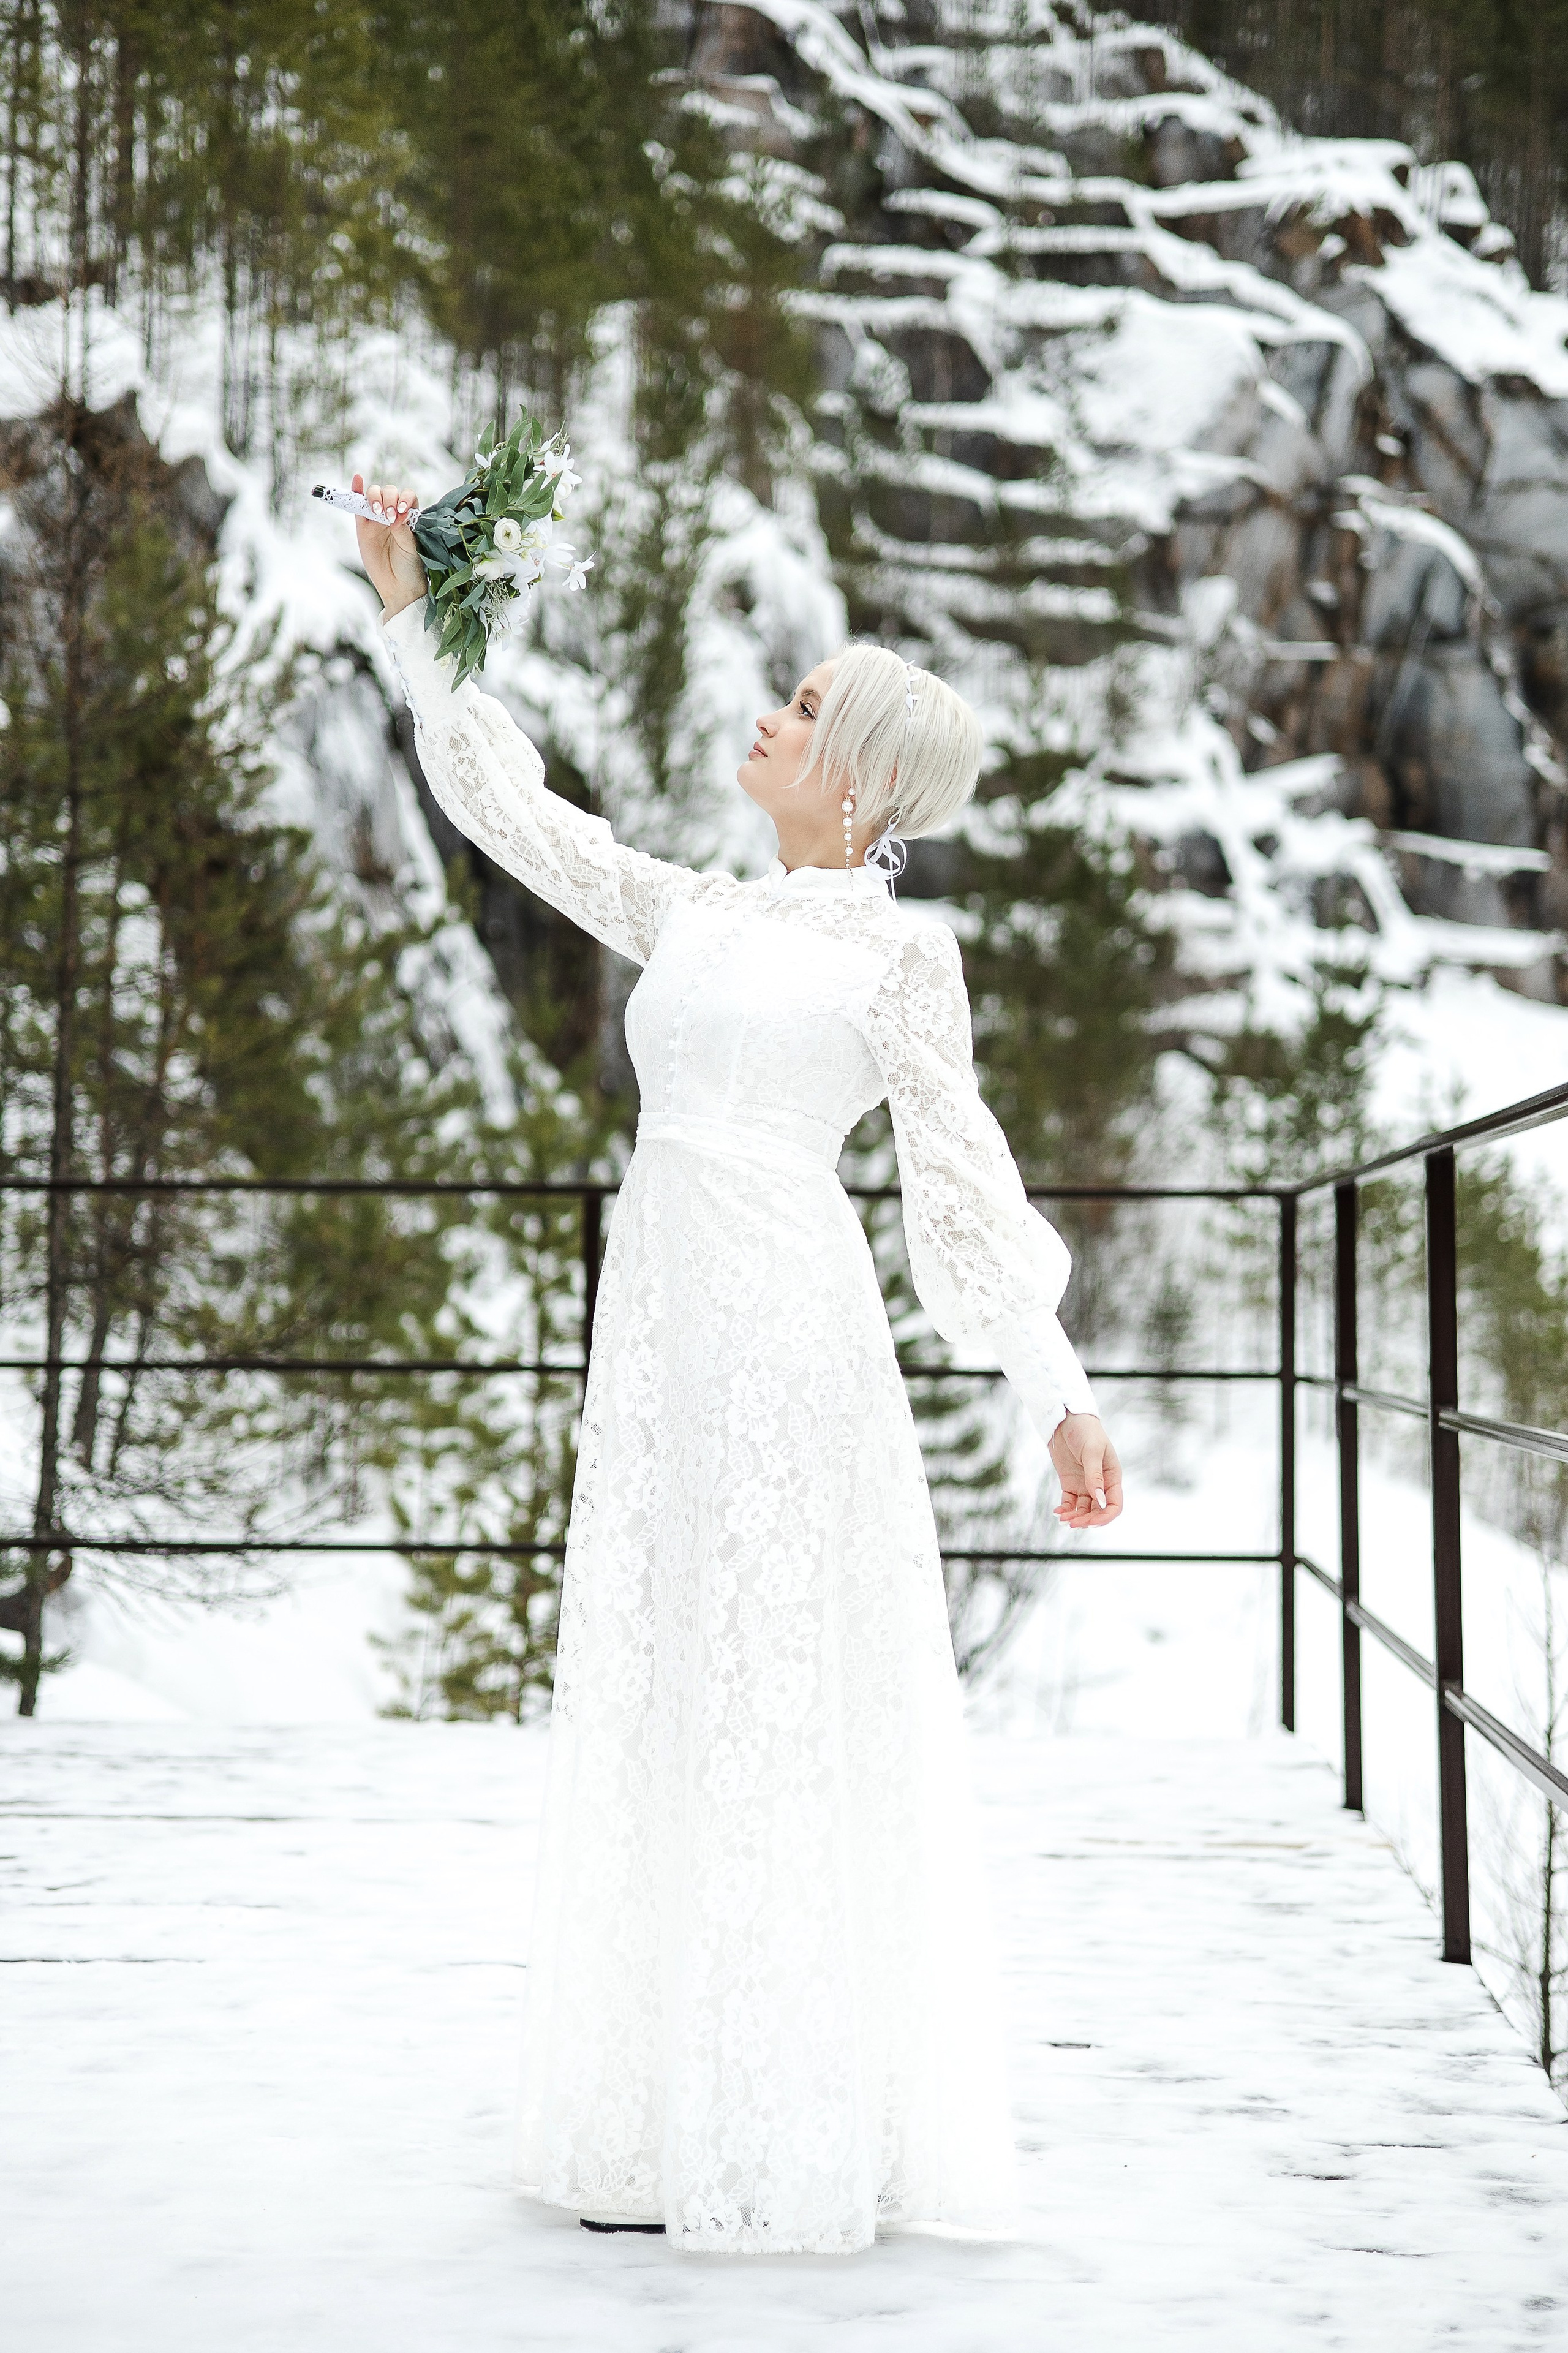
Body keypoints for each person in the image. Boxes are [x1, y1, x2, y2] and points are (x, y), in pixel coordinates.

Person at [351, 477, 1124, 2256]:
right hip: (664, 1329)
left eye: (799, 708)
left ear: (857, 777)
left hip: (788, 1329)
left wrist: (1057, 1386)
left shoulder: (902, 958)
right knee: (674, 1683)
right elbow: (515, 814)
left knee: (773, 1685)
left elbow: (963, 1182)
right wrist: (412, 612)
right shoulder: (696, 906)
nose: (768, 718)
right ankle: (662, 2110)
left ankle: (788, 2121)